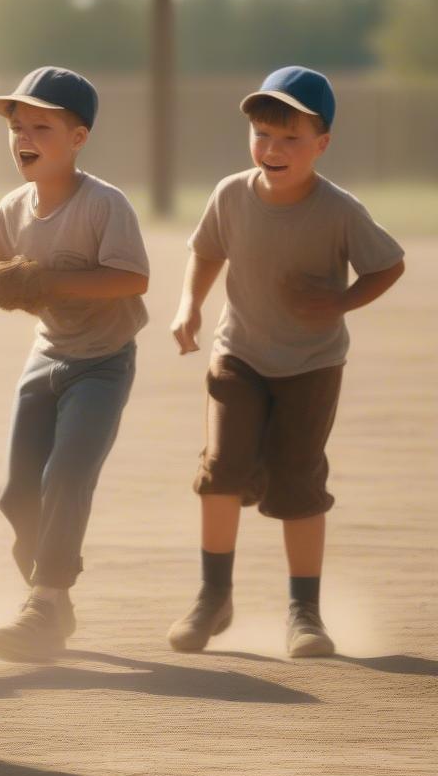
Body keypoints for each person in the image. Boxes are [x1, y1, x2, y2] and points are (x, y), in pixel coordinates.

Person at [166, 66, 405, 658]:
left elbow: (388, 264)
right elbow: (205, 250)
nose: (273, 149)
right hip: (238, 354)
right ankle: (212, 597)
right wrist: (189, 306)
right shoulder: (230, 193)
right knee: (221, 471)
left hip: (312, 366)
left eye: (291, 138)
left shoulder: (339, 210)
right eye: (262, 134)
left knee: (298, 483)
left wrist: (342, 301)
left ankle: (304, 613)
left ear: (322, 144)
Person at [0, 66, 150, 661]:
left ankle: (45, 602)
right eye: (17, 126)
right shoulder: (11, 208)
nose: (24, 137)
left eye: (41, 127)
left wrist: (49, 278)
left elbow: (133, 277)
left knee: (66, 478)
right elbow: (3, 275)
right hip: (47, 354)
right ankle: (52, 592)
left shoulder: (104, 204)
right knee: (15, 494)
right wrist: (6, 285)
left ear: (78, 138)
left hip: (103, 362)